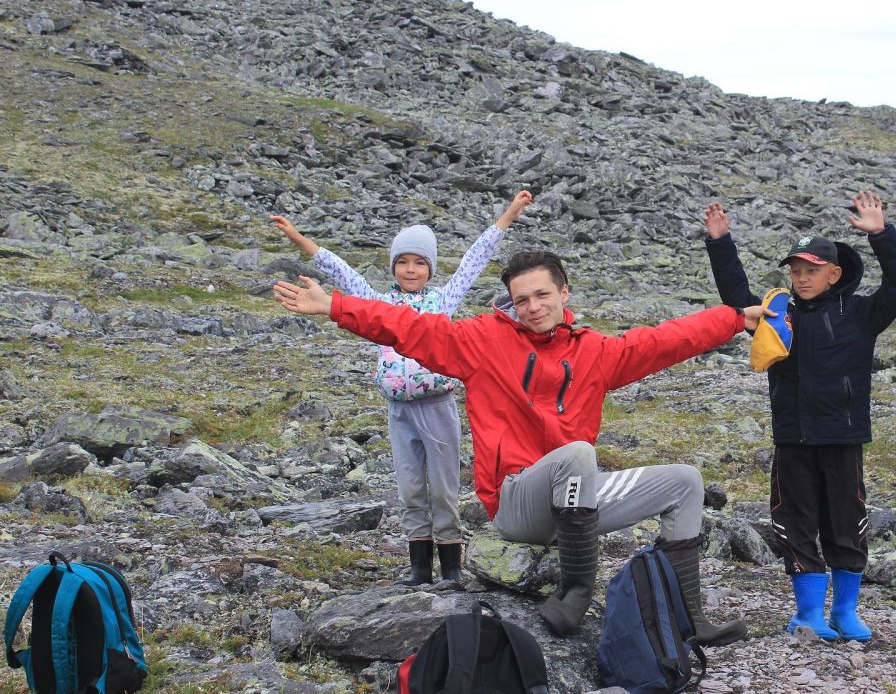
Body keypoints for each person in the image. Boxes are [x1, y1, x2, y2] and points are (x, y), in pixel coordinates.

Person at [273, 250, 771, 645]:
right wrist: (336, 306)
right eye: (521, 299)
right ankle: (575, 590)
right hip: (515, 504)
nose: (532, 307)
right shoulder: (480, 341)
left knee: (685, 481)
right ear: (510, 302)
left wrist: (734, 319)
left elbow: (664, 340)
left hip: (575, 501)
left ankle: (689, 617)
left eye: (542, 295)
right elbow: (410, 328)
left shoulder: (596, 351)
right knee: (578, 453)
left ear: (564, 293)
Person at [268, 189, 532, 586]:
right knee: (410, 488)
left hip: (437, 406)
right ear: (393, 267)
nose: (410, 269)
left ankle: (453, 567)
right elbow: (342, 273)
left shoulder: (443, 301)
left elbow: (474, 259)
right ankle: (419, 567)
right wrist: (299, 238)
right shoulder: (378, 304)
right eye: (403, 262)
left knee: (443, 488)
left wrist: (509, 214)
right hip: (399, 410)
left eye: (419, 262)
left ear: (430, 268)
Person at [702, 190, 896, 642]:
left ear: (834, 274)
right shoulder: (780, 315)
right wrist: (720, 243)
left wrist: (882, 235)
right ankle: (808, 614)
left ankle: (845, 612)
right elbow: (737, 299)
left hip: (842, 437)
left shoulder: (861, 313)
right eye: (795, 271)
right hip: (793, 439)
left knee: (847, 520)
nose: (801, 278)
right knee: (795, 521)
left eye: (811, 271)